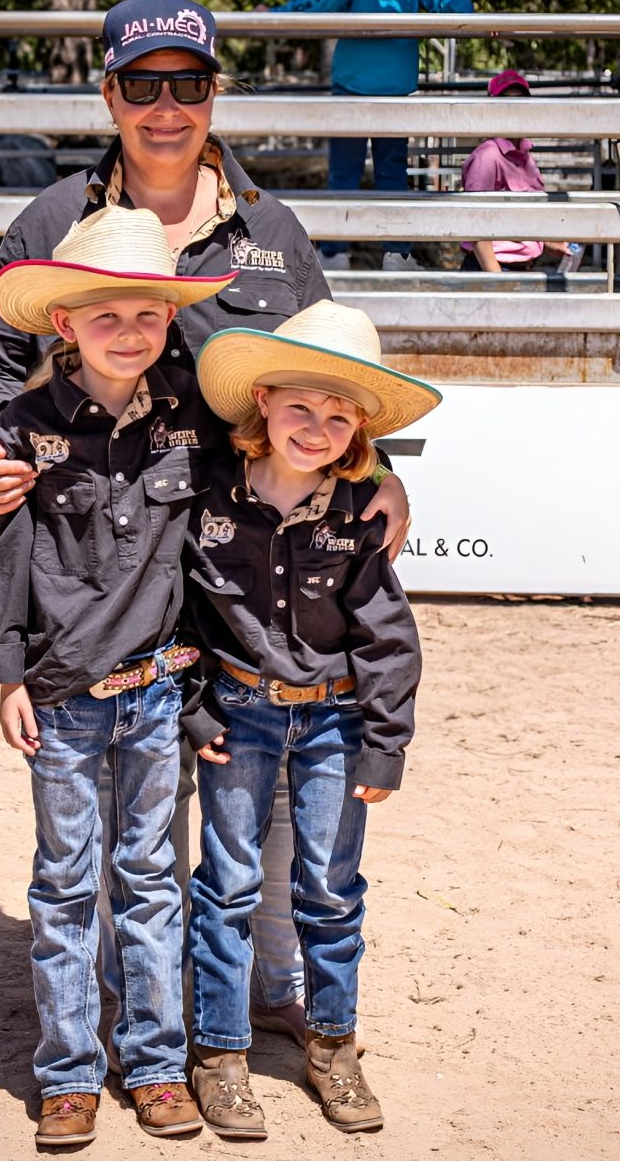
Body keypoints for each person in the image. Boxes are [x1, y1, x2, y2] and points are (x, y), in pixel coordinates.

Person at [0, 0, 412, 1058]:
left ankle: (264, 986)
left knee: (269, 793)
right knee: (139, 786)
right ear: (109, 92)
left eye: (189, 84)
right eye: (143, 85)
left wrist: (377, 466)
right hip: (117, 563)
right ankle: (132, 1004)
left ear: (216, 93)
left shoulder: (270, 229)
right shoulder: (49, 220)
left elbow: (324, 368)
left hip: (258, 564)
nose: (167, 107)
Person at [0, 205, 238, 1145]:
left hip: (160, 688)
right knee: (66, 883)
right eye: (107, 315)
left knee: (154, 877)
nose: (131, 332)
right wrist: (8, 674)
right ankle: (69, 1071)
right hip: (63, 697)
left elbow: (216, 552)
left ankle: (158, 1064)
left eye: (150, 315)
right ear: (64, 323)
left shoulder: (192, 420)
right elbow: (6, 559)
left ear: (172, 321)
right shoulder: (23, 431)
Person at [180, 300, 441, 1137]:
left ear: (361, 429)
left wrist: (384, 746)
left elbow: (388, 637)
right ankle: (220, 1054)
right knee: (226, 886)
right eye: (300, 406)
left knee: (329, 890)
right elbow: (177, 615)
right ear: (262, 401)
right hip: (238, 713)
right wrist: (192, 711)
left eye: (338, 415)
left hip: (333, 722)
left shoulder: (358, 516)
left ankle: (333, 1045)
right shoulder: (207, 500)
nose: (316, 426)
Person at [269, 0, 473, 270]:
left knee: (344, 174)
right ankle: (395, 255)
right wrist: (467, 9)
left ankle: (336, 253)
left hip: (356, 85)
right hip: (393, 87)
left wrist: (276, 14)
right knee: (392, 176)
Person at [460, 69, 573, 272]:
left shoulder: (525, 155)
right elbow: (475, 225)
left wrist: (546, 242)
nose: (514, 109)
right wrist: (497, 282)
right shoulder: (488, 156)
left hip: (517, 268)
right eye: (506, 103)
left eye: (521, 102)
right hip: (495, 269)